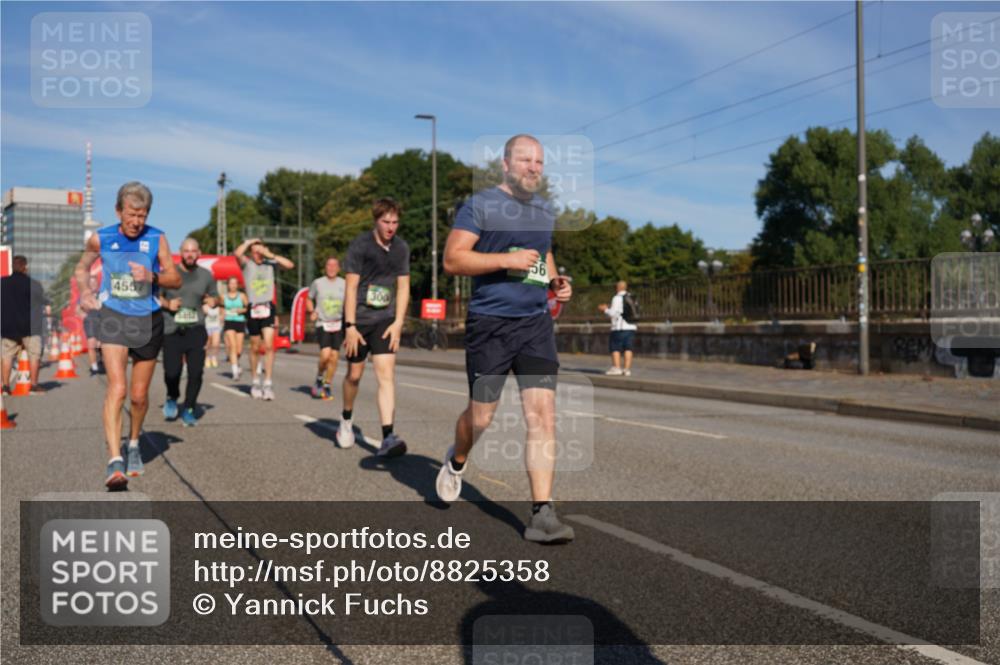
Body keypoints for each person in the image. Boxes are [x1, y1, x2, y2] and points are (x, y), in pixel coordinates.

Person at [434, 134, 574, 543]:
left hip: (534, 325)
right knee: (481, 417)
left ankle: (542, 513)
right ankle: (457, 459)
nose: (533, 167)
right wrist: (505, 260)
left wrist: (556, 282)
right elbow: (453, 259)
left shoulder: (544, 210)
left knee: (543, 414)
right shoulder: (481, 205)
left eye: (539, 162)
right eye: (525, 160)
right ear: (506, 164)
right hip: (491, 325)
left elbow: (543, 253)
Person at [75, 181, 182, 489]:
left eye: (142, 215)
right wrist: (85, 292)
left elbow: (175, 278)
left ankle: (133, 442)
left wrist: (153, 276)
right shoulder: (101, 238)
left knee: (138, 396)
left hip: (148, 319)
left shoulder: (157, 237)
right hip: (114, 317)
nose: (137, 221)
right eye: (132, 214)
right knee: (118, 388)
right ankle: (115, 460)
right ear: (118, 211)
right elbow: (82, 269)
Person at [336, 198, 410, 457]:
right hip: (358, 320)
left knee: (386, 375)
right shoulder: (361, 245)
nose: (391, 227)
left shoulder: (401, 248)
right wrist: (350, 326)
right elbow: (351, 287)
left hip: (385, 319)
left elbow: (403, 286)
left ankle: (388, 436)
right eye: (386, 222)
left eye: (395, 222)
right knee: (354, 375)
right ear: (376, 221)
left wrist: (398, 322)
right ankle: (346, 419)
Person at [160, 238, 217, 426]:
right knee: (172, 372)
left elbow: (215, 296)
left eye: (193, 251)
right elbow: (154, 297)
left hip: (196, 328)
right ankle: (172, 396)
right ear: (181, 252)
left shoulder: (206, 275)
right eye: (186, 251)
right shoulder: (169, 275)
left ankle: (189, 409)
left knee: (196, 372)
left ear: (199, 253)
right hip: (171, 329)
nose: (190, 255)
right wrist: (168, 304)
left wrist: (213, 301)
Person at [234, 238, 293, 400]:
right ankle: (255, 381)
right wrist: (249, 242)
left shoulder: (270, 263)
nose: (257, 254)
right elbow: (237, 254)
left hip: (267, 307)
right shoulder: (247, 264)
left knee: (269, 345)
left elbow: (289, 265)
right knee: (254, 347)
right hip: (253, 308)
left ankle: (267, 383)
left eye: (259, 250)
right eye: (254, 251)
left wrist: (269, 254)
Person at [1, 255, 49, 394]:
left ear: (12, 267)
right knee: (34, 355)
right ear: (25, 267)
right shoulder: (34, 284)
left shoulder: (2, 283)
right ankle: (33, 385)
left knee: (7, 356)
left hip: (8, 327)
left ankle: (5, 387)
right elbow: (42, 301)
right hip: (30, 327)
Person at [307, 256, 346, 400]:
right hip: (323, 322)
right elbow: (309, 298)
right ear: (325, 268)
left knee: (334, 357)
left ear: (339, 268)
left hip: (338, 323)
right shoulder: (318, 283)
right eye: (329, 265)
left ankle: (327, 385)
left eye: (334, 265)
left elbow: (350, 302)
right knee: (325, 355)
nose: (331, 268)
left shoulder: (344, 283)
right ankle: (319, 377)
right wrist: (312, 311)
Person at [598, 280, 638, 376]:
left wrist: (605, 309)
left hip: (619, 327)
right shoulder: (632, 297)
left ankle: (617, 368)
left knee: (615, 347)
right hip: (631, 326)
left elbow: (613, 313)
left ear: (618, 287)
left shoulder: (617, 298)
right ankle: (627, 369)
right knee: (628, 348)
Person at [221, 277, 248, 380]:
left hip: (240, 321)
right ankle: (235, 371)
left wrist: (241, 310)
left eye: (235, 283)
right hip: (229, 322)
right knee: (232, 346)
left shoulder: (242, 296)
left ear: (237, 285)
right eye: (231, 283)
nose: (233, 285)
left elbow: (247, 308)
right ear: (228, 285)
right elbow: (221, 308)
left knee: (239, 349)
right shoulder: (223, 296)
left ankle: (237, 364)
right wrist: (222, 314)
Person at [80, 274, 103, 376]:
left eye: (95, 283)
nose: (93, 285)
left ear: (97, 284)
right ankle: (94, 368)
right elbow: (83, 306)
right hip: (91, 320)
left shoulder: (102, 294)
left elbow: (100, 306)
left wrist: (94, 304)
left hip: (103, 320)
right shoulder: (85, 295)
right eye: (91, 283)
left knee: (101, 345)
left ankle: (102, 363)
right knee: (91, 343)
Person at [204, 297, 222, 369]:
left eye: (213, 300)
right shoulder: (205, 307)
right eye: (210, 300)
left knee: (215, 344)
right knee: (208, 344)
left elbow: (223, 315)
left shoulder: (219, 308)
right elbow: (205, 312)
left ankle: (214, 357)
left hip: (216, 327)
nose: (212, 302)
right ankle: (207, 358)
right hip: (207, 327)